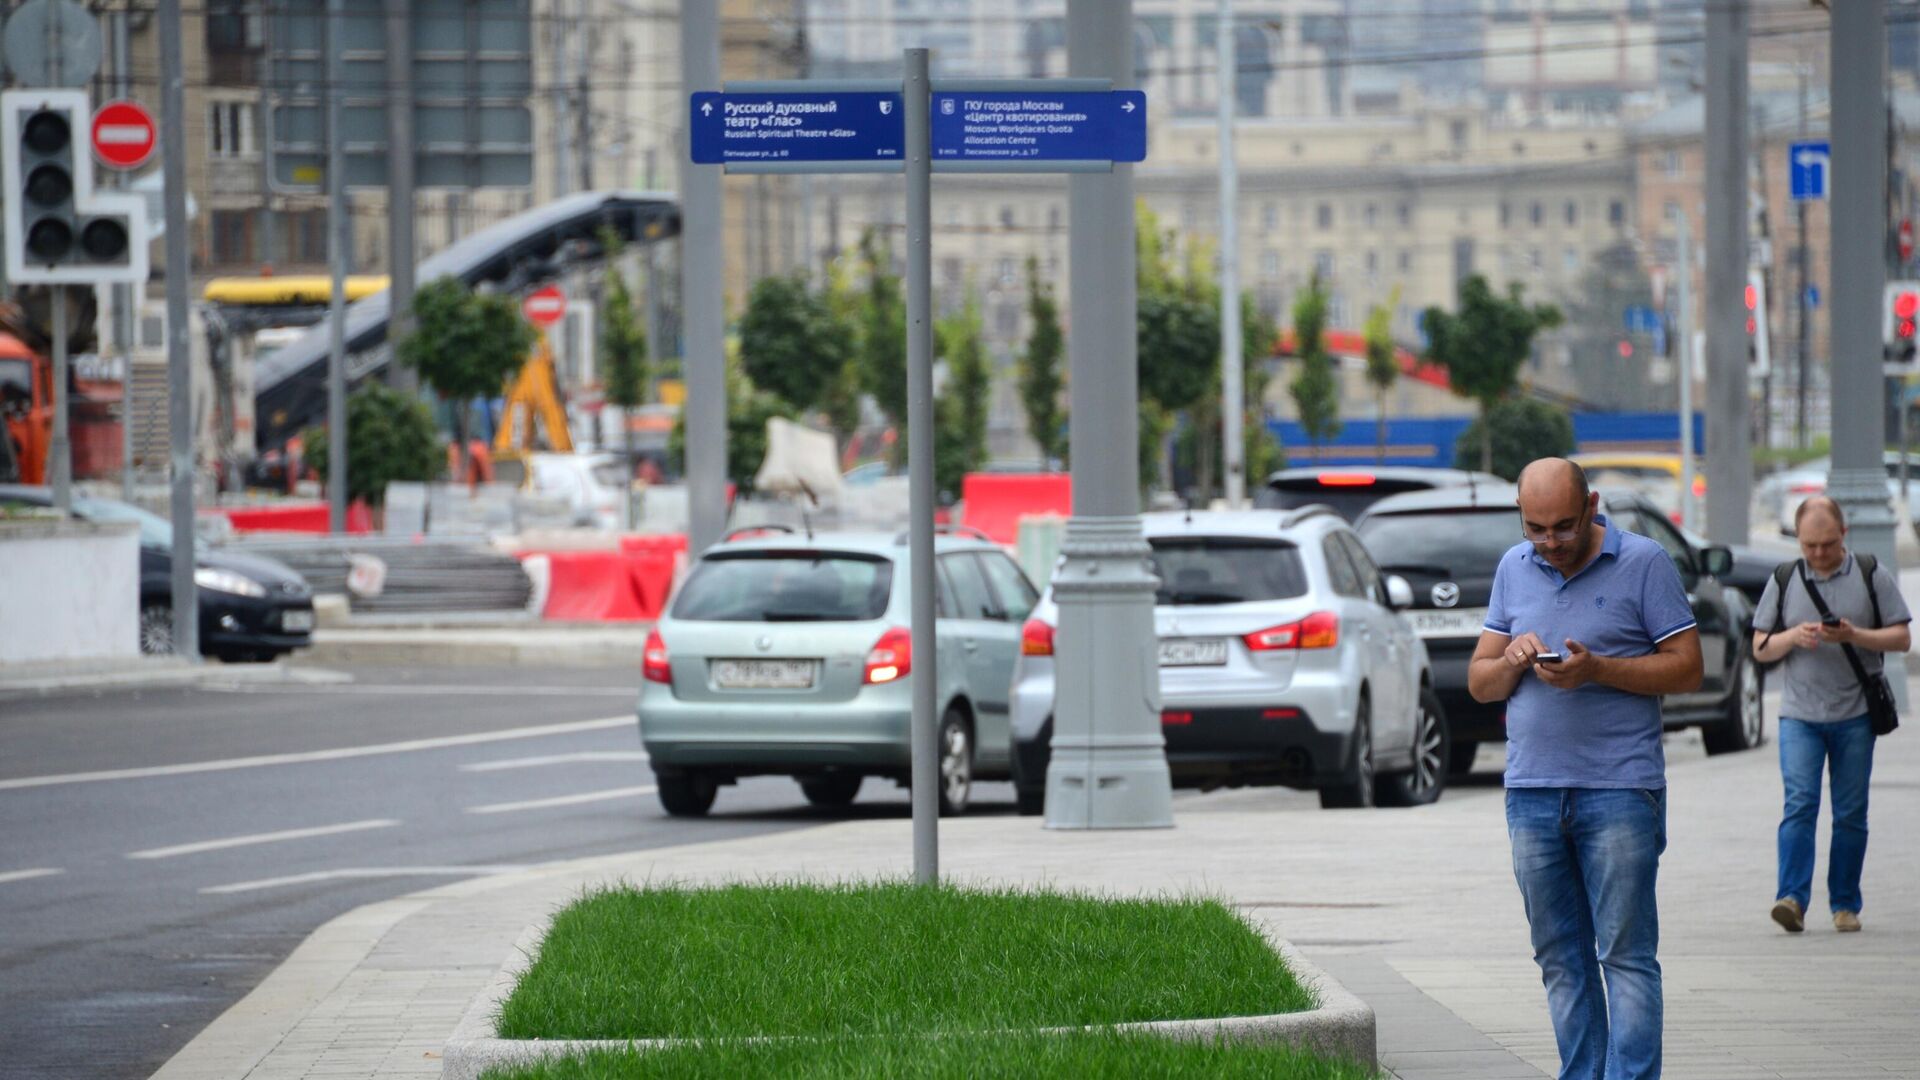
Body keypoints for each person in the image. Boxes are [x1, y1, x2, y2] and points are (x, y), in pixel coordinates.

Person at [1468, 458, 1703, 1080]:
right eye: (1536, 528)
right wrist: (1513, 660)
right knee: (1559, 959)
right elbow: (1480, 683)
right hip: (1532, 794)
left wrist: (1598, 668)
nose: (1550, 543)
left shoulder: (1645, 561)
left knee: (1624, 956)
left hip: (1620, 791)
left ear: (1592, 505)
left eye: (1564, 527)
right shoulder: (1512, 569)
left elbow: (1687, 667)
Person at [1750, 496, 1909, 935]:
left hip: (1855, 714)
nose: (1818, 554)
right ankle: (1792, 900)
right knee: (1799, 804)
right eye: (1809, 546)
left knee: (1850, 812)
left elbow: (1901, 639)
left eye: (1826, 544)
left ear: (1843, 534)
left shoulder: (1869, 572)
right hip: (1799, 715)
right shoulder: (1785, 577)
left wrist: (1854, 634)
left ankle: (1844, 904)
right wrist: (1792, 638)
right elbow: (1760, 646)